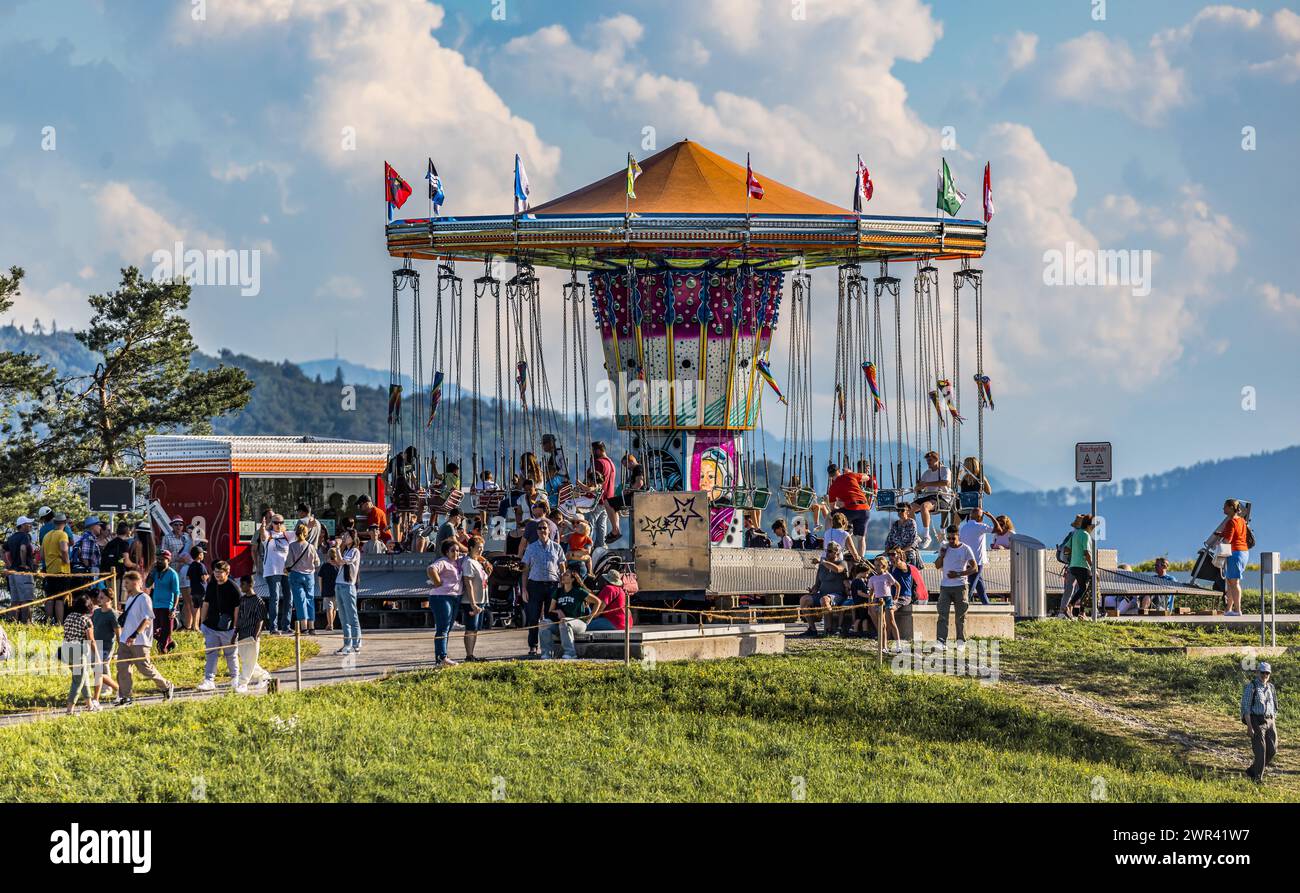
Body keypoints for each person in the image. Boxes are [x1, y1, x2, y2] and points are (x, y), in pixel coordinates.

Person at [115, 570, 174, 705]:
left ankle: (166, 686)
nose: (125, 586)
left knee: (145, 669)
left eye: (127, 583)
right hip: (125, 640)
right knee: (123, 669)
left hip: (140, 641)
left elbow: (147, 619)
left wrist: (135, 635)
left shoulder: (144, 598)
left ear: (136, 582)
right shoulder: (129, 599)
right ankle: (126, 696)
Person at [520, 520, 565, 656]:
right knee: (533, 616)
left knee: (550, 617)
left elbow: (562, 568)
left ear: (549, 530)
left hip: (552, 585)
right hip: (535, 585)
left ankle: (550, 647)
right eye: (539, 528)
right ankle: (533, 646)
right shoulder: (531, 547)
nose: (542, 530)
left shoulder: (557, 547)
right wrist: (524, 588)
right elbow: (525, 569)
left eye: (544, 528)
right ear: (537, 531)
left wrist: (562, 587)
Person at [196, 560, 241, 691]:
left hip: (228, 628)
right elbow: (206, 603)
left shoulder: (234, 588)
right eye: (216, 572)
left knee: (231, 654)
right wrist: (202, 623)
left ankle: (235, 678)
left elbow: (237, 609)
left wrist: (236, 627)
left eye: (220, 572)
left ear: (227, 572)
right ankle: (209, 680)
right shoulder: (211, 585)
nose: (217, 575)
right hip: (210, 626)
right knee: (211, 654)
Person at [934, 525, 977, 652]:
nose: (951, 540)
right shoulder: (944, 548)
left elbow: (974, 568)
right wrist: (942, 556)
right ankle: (941, 641)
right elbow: (937, 566)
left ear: (958, 536)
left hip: (961, 586)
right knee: (942, 615)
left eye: (953, 538)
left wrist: (958, 574)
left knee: (960, 616)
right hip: (945, 586)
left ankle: (960, 641)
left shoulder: (965, 549)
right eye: (949, 538)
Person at [539, 569, 600, 659]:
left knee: (565, 621)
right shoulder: (558, 591)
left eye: (566, 575)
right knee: (544, 623)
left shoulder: (579, 591)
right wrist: (558, 611)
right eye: (563, 574)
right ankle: (546, 653)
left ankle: (570, 653)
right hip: (561, 624)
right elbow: (550, 610)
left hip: (579, 623)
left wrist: (590, 618)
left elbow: (597, 602)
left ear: (572, 579)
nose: (563, 576)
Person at [61, 594, 100, 713]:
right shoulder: (86, 620)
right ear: (88, 607)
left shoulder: (69, 616)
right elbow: (91, 640)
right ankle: (70, 710)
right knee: (78, 680)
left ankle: (90, 705)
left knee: (83, 677)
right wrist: (97, 656)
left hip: (66, 648)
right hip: (78, 650)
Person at [426, 539, 463, 667]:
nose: (456, 553)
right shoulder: (443, 562)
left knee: (447, 628)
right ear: (446, 552)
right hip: (441, 597)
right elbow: (431, 569)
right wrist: (437, 582)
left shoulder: (457, 562)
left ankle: (443, 657)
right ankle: (441, 658)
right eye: (453, 550)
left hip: (454, 597)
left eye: (457, 550)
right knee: (443, 628)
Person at [1241, 662, 1279, 783]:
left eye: (1267, 673)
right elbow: (1245, 708)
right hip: (1256, 721)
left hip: (1270, 720)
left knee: (1272, 750)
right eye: (1262, 672)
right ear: (1257, 672)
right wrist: (1249, 727)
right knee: (1260, 751)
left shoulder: (1271, 687)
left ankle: (1252, 770)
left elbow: (1275, 705)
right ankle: (1257, 778)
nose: (1265, 675)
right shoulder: (1252, 687)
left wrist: (1273, 719)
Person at [800, 542, 848, 636]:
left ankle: (828, 630)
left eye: (830, 551)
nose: (827, 553)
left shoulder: (842, 563)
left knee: (824, 600)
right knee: (804, 599)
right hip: (822, 594)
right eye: (826, 551)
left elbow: (838, 569)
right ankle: (812, 629)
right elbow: (817, 584)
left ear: (837, 553)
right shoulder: (822, 566)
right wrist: (812, 591)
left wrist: (823, 562)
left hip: (838, 594)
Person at [958, 507, 1004, 606]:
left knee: (979, 586)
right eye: (982, 516)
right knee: (971, 586)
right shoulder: (980, 526)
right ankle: (962, 605)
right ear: (980, 517)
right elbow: (999, 530)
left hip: (966, 561)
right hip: (977, 562)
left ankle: (986, 604)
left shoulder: (963, 528)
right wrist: (991, 516)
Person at [826, 462, 873, 555]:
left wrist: (841, 505)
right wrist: (851, 472)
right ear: (839, 471)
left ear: (830, 476)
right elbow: (867, 477)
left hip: (851, 510)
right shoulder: (850, 475)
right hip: (865, 509)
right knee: (861, 538)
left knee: (829, 516)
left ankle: (829, 543)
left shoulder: (832, 488)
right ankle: (861, 560)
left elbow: (832, 509)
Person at [232, 575, 269, 693]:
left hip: (251, 635)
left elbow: (261, 619)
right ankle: (264, 676)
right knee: (248, 660)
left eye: (242, 584)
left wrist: (255, 635)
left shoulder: (258, 601)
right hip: (241, 634)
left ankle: (243, 683)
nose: (241, 587)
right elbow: (240, 618)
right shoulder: (242, 600)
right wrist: (235, 633)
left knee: (249, 660)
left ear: (250, 585)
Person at [1213, 498, 1250, 616]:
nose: (1223, 509)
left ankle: (1238, 610)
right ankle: (1228, 610)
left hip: (1235, 553)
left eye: (1225, 506)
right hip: (1243, 552)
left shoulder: (1230, 522)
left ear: (1230, 507)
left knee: (1234, 582)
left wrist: (1220, 542)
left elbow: (1228, 540)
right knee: (1230, 582)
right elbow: (1236, 534)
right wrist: (1222, 534)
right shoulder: (1241, 520)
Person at [458, 536, 492, 662]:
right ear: (471, 548)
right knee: (471, 628)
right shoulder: (468, 562)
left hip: (480, 600)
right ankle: (469, 655)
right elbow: (468, 584)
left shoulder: (477, 561)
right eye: (478, 548)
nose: (480, 550)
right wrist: (472, 603)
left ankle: (472, 654)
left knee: (476, 629)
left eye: (482, 548)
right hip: (472, 601)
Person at [259, 513, 292, 634]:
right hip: (272, 571)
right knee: (275, 598)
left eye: (281, 522)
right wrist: (262, 528)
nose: (278, 525)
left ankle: (286, 626)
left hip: (286, 571)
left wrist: (309, 526)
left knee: (289, 598)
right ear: (271, 523)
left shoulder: (287, 535)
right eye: (276, 522)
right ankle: (273, 627)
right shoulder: (269, 534)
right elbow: (263, 537)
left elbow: (301, 534)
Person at [331, 531, 363, 654]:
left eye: (347, 536)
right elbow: (340, 563)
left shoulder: (355, 551)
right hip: (339, 585)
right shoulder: (346, 551)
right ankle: (347, 644)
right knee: (343, 617)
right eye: (344, 536)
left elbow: (342, 562)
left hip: (348, 586)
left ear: (354, 538)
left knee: (352, 616)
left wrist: (338, 547)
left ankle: (356, 644)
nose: (344, 538)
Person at [912, 451, 952, 546]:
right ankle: (915, 534)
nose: (928, 462)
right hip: (928, 496)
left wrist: (926, 484)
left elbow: (945, 482)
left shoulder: (945, 470)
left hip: (941, 497)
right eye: (927, 461)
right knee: (908, 509)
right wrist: (918, 487)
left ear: (936, 459)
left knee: (924, 507)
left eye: (930, 460)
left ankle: (927, 536)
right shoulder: (926, 473)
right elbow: (919, 486)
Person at [1059, 515, 1094, 619]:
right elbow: (1086, 552)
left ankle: (1069, 608)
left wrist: (1074, 553)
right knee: (1084, 588)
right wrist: (1092, 566)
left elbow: (1066, 549)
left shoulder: (1074, 534)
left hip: (1072, 566)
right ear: (1089, 525)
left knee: (1078, 588)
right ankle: (1070, 606)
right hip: (1082, 566)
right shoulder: (1086, 535)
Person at [287, 522, 320, 635]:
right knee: (310, 599)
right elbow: (317, 562)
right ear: (306, 534)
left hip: (296, 575)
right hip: (309, 576)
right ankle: (312, 627)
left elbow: (289, 563)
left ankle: (304, 627)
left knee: (300, 601)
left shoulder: (292, 546)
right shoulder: (311, 547)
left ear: (296, 533)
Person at [89, 590, 120, 705]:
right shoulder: (96, 612)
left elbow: (118, 632)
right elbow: (91, 627)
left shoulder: (112, 614)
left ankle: (109, 689)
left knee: (100, 668)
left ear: (109, 599)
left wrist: (119, 648)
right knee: (97, 668)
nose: (100, 597)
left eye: (103, 596)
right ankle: (108, 688)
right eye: (100, 596)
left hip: (107, 646)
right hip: (95, 645)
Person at [40, 512, 72, 625]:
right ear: (64, 523)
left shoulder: (46, 535)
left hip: (49, 570)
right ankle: (59, 624)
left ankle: (48, 623)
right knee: (60, 598)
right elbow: (64, 549)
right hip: (61, 570)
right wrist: (67, 560)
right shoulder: (62, 534)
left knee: (49, 598)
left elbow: (42, 555)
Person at [147, 550, 182, 653]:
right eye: (158, 559)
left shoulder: (172, 574)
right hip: (155, 605)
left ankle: (163, 652)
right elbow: (148, 584)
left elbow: (176, 592)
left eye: (162, 560)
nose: (159, 561)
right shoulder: (156, 572)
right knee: (154, 632)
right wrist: (151, 572)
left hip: (167, 606)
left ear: (168, 560)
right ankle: (170, 642)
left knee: (165, 632)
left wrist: (173, 609)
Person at [4, 515, 37, 623]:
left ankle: (14, 624)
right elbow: (23, 549)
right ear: (22, 526)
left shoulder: (11, 537)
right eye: (28, 524)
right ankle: (26, 625)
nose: (30, 525)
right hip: (23, 573)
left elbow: (3, 550)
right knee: (26, 600)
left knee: (15, 600)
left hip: (13, 573)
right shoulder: (25, 536)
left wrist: (8, 565)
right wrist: (23, 563)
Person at [867, 556, 901, 652]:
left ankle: (898, 645)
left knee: (891, 621)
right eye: (875, 565)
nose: (876, 567)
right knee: (882, 625)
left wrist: (896, 597)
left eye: (879, 565)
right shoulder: (872, 578)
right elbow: (871, 592)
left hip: (887, 599)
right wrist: (870, 604)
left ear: (884, 566)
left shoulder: (887, 576)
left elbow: (897, 585)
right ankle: (884, 646)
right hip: (878, 600)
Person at [161, 517, 193, 614]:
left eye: (181, 524)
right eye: (176, 524)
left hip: (186, 570)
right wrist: (176, 559)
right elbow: (163, 554)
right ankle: (174, 615)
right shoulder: (167, 537)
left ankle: (185, 621)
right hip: (173, 569)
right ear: (171, 526)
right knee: (174, 593)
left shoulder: (187, 537)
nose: (178, 526)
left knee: (186, 596)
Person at [589, 440, 619, 547]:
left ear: (598, 450)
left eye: (593, 451)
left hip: (597, 499)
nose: (592, 453)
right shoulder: (611, 463)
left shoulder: (598, 463)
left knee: (590, 524)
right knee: (602, 526)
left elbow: (593, 480)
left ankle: (588, 547)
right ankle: (601, 548)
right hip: (608, 501)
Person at [71, 516, 104, 596]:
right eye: (98, 525)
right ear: (93, 526)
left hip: (88, 572)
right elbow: (85, 558)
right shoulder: (88, 539)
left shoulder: (87, 538)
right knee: (91, 595)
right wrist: (90, 572)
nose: (100, 527)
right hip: (89, 573)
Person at [100, 521, 132, 601]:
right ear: (127, 531)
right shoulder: (124, 544)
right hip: (119, 575)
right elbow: (127, 562)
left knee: (110, 598)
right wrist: (136, 565)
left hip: (108, 575)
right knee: (119, 600)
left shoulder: (109, 543)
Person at [184, 544, 209, 633]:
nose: (203, 555)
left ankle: (194, 626)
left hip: (193, 589)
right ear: (199, 555)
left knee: (195, 608)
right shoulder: (201, 565)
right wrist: (207, 576)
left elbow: (187, 577)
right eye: (202, 554)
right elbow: (203, 578)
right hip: (202, 590)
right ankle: (202, 626)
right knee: (203, 608)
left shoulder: (191, 565)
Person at [318, 537, 339, 633]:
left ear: (328, 556)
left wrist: (321, 589)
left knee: (329, 609)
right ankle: (331, 624)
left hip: (326, 590)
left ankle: (330, 624)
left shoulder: (325, 566)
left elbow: (320, 578)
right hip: (336, 590)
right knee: (334, 608)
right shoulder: (338, 566)